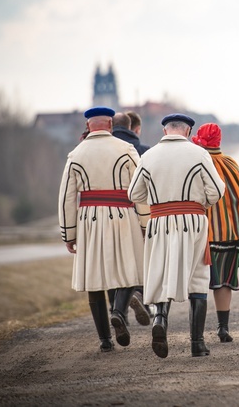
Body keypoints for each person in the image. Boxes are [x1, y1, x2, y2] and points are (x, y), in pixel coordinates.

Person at [127, 113, 225, 358]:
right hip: (192, 221)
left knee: (161, 274)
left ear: (164, 131)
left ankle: (160, 318)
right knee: (198, 280)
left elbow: (133, 194)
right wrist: (200, 202)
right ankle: (197, 343)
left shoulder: (148, 156)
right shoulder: (199, 154)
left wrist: (157, 201)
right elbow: (216, 191)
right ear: (188, 132)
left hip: (159, 221)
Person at [58, 106, 147, 352]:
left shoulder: (75, 154)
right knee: (131, 268)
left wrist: (69, 233)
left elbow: (66, 197)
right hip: (123, 216)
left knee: (93, 279)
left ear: (88, 126)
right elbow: (140, 190)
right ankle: (118, 310)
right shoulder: (126, 150)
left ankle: (105, 341)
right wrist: (144, 222)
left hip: (89, 221)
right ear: (110, 124)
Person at [191, 123, 239, 343]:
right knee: (223, 283)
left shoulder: (197, 163)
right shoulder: (230, 163)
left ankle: (196, 333)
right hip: (228, 234)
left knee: (198, 285)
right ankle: (222, 328)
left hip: (202, 234)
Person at [108, 112, 154, 327]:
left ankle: (117, 313)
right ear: (135, 128)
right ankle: (140, 295)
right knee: (140, 261)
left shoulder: (106, 150)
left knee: (112, 264)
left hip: (107, 215)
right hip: (137, 213)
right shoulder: (145, 152)